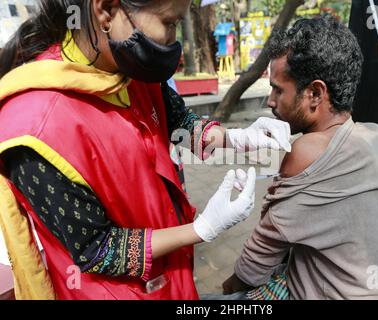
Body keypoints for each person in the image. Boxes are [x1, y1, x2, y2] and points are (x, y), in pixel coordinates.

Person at [0, 0, 291, 300]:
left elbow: (178, 124)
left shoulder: (128, 65)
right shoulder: (34, 132)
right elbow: (96, 249)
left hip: (173, 278)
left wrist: (237, 139)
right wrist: (201, 229)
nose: (173, 39)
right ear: (106, 10)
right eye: (169, 23)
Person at [222, 16, 378, 300]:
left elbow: (254, 265)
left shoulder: (307, 151)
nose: (270, 101)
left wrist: (227, 292)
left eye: (277, 89)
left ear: (314, 93)